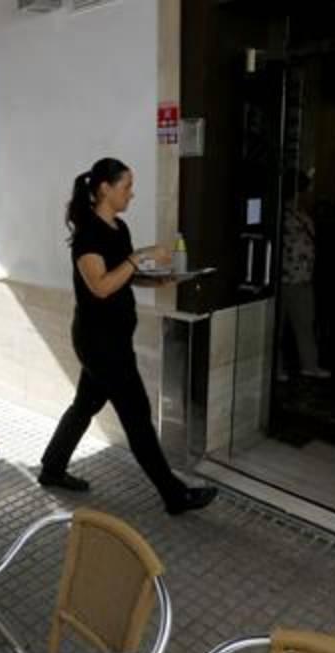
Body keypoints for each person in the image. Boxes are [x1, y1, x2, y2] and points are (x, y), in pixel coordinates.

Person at [37, 158, 218, 516]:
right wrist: (139, 257)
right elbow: (101, 286)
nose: (131, 194)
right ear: (105, 188)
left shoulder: (119, 228)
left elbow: (123, 276)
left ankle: (52, 468)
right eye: (127, 186)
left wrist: (158, 279)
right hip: (100, 343)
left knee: (85, 404)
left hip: (113, 339)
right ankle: (174, 495)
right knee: (137, 416)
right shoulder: (88, 234)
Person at [280, 171, 329, 381]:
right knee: (291, 326)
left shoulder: (298, 214)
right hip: (287, 279)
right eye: (308, 189)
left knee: (304, 325)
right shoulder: (285, 214)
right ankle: (285, 367)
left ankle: (308, 365)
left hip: (299, 279)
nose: (310, 193)